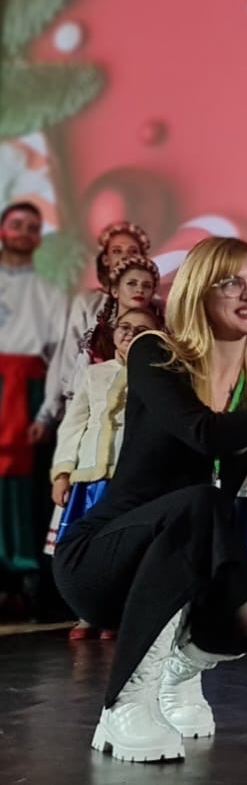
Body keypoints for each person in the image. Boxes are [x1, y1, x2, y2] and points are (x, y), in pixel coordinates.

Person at [52, 237, 247, 763]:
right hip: (102, 561)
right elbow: (206, 435)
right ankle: (123, 703)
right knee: (198, 502)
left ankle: (177, 673)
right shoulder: (156, 354)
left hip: (186, 565)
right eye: (232, 282)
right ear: (198, 291)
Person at [49, 304, 161, 640]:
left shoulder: (160, 375)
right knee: (88, 547)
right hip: (91, 478)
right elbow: (74, 423)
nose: (130, 335)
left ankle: (118, 613)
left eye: (141, 331)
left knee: (125, 548)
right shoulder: (95, 374)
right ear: (113, 333)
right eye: (125, 328)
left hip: (132, 479)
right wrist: (63, 472)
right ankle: (87, 613)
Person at [0, 202, 69, 605]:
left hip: (26, 392)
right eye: (17, 224)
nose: (24, 232)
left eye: (32, 227)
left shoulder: (49, 293)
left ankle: (22, 571)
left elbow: (57, 355)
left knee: (25, 486)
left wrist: (45, 412)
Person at [36, 221, 152, 430]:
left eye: (133, 251)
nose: (125, 257)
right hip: (86, 408)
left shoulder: (155, 309)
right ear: (106, 259)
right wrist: (50, 412)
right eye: (117, 251)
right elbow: (68, 357)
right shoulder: (88, 303)